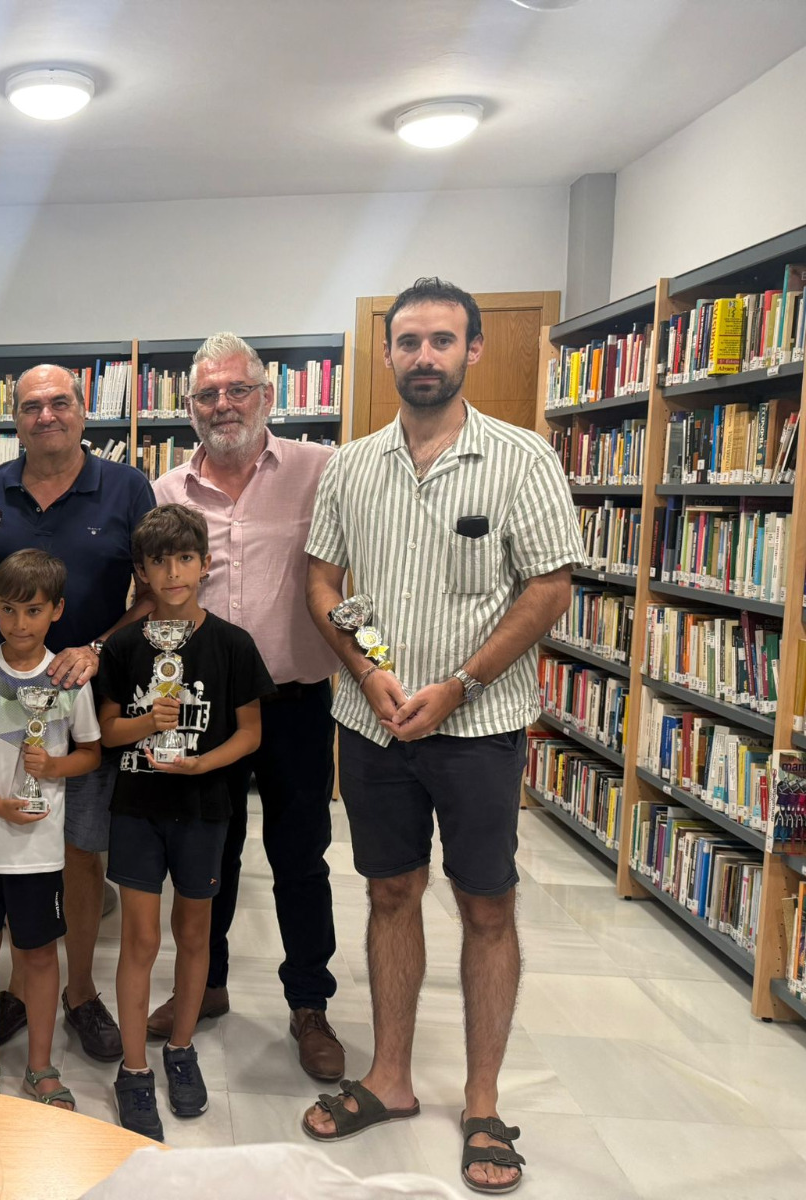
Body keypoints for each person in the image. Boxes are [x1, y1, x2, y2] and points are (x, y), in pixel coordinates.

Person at [299, 278, 580, 1194]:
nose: (425, 356)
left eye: (442, 340)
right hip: (373, 725)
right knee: (390, 893)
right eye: (409, 341)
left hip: (479, 729)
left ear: (473, 350)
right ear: (387, 352)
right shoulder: (351, 466)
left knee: (486, 905)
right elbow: (323, 581)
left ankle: (484, 1101)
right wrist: (365, 671)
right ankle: (389, 1078)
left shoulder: (523, 458)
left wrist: (462, 685)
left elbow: (549, 587)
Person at [149, 333, 345, 1082]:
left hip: (295, 701)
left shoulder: (319, 471)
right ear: (189, 407)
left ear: (267, 395)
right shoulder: (167, 491)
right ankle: (207, 985)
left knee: (300, 856)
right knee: (208, 856)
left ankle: (309, 1003)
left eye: (237, 390)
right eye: (208, 394)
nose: (223, 405)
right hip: (207, 706)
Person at [0, 363, 155, 1064]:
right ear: (15, 418)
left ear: (82, 410)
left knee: (78, 851)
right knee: (13, 839)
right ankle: (19, 983)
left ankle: (80, 991)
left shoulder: (126, 487)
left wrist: (96, 648)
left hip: (86, 696)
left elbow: (154, 596)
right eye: (32, 405)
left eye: (59, 402)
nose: (46, 416)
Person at [97, 504, 273, 1142]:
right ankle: (134, 1068)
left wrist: (202, 764)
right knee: (141, 939)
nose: (172, 572)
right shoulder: (124, 646)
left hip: (204, 809)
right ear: (141, 572)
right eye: (158, 561)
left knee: (195, 934)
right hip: (138, 810)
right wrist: (150, 723)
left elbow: (250, 733)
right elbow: (108, 731)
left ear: (205, 564)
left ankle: (180, 1048)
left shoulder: (232, 644)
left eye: (185, 559)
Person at [0, 549, 103, 1109]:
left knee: (38, 957)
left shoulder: (67, 680)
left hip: (38, 853)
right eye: (8, 610)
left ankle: (40, 1067)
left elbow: (91, 754)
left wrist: (53, 767)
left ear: (57, 610)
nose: (19, 623)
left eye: (33, 611)